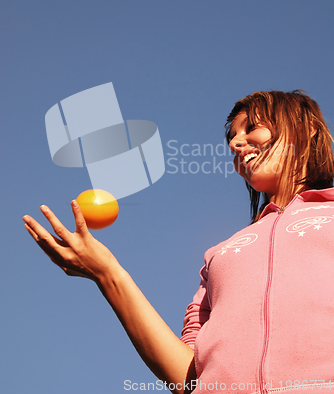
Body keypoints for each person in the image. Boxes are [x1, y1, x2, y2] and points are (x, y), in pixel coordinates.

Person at [23, 90, 334, 394]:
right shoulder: (221, 254)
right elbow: (187, 378)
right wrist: (106, 273)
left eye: (251, 128)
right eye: (232, 137)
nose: (236, 143)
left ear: (304, 130)